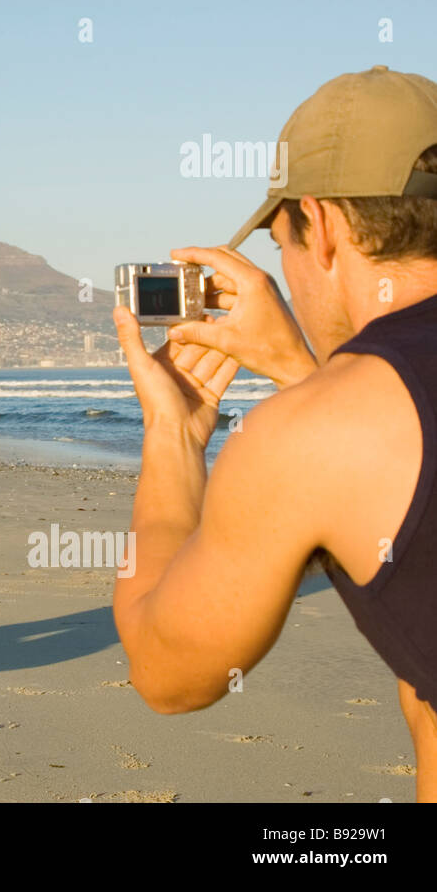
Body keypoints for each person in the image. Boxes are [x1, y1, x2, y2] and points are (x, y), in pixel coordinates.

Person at [111, 65, 437, 802]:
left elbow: (168, 671)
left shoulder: (311, 435)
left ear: (320, 227)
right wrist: (305, 368)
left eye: (281, 242)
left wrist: (172, 433)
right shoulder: (346, 413)